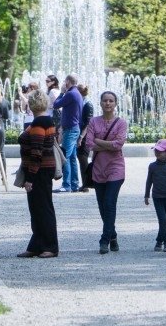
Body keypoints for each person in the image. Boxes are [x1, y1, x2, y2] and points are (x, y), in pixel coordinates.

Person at [83, 90, 128, 254]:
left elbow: (118, 145)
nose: (108, 103)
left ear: (115, 104)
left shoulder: (121, 123)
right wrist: (107, 144)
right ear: (101, 103)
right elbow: (89, 144)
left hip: (116, 168)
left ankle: (104, 240)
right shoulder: (93, 121)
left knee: (109, 203)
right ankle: (113, 236)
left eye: (111, 101)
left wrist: (98, 141)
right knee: (103, 206)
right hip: (98, 169)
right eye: (105, 100)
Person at [18, 89, 59, 258]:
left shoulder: (39, 123)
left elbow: (36, 153)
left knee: (42, 208)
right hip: (44, 169)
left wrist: (30, 178)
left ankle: (50, 246)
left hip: (39, 171)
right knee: (38, 209)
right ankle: (36, 245)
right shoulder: (47, 120)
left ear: (31, 104)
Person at [143, 140, 166, 251]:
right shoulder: (152, 166)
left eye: (160, 151)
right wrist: (146, 195)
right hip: (157, 197)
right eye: (156, 150)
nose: (157, 153)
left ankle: (159, 241)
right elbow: (149, 181)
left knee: (164, 221)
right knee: (162, 220)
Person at [53, 75, 84, 193]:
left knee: (64, 156)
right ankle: (74, 184)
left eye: (64, 81)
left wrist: (61, 93)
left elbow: (56, 105)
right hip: (74, 128)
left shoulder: (70, 94)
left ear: (68, 82)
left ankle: (66, 185)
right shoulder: (77, 93)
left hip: (70, 129)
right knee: (72, 158)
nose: (63, 84)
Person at [75, 83, 95, 193]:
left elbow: (88, 123)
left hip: (85, 135)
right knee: (81, 158)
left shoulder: (88, 104)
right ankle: (85, 183)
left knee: (83, 158)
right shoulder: (82, 102)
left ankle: (86, 184)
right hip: (82, 134)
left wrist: (81, 137)